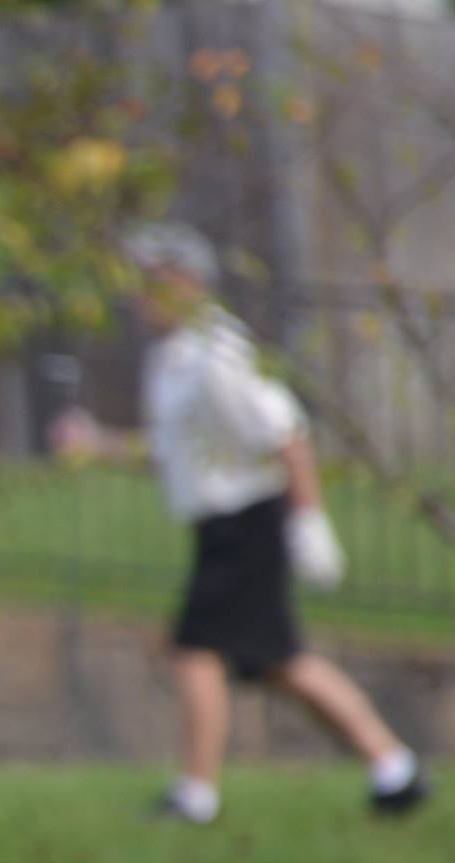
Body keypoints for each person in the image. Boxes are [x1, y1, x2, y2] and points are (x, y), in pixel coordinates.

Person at [52, 224, 429, 823]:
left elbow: (286, 436)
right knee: (280, 661)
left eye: (150, 282)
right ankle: (394, 768)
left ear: (185, 282)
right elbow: (175, 453)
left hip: (247, 524)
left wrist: (308, 521)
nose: (138, 296)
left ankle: (196, 795)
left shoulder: (217, 351)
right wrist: (97, 445)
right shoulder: (172, 357)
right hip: (219, 528)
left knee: (193, 650)